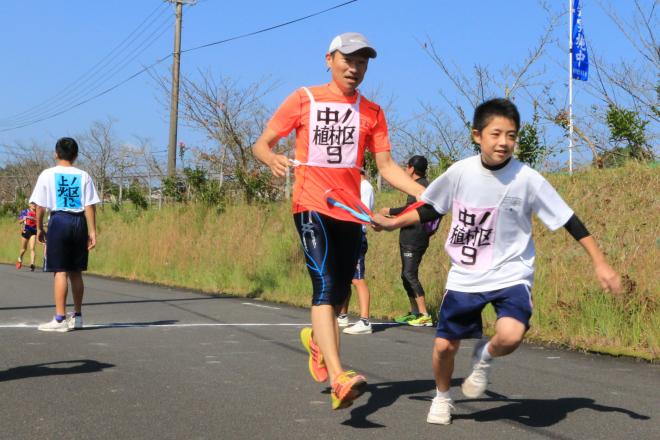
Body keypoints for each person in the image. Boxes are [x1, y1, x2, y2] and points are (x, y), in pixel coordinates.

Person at [372, 98, 623, 425]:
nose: (504, 142)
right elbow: (431, 207)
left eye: (511, 135)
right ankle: (443, 397)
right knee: (445, 347)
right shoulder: (460, 172)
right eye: (496, 134)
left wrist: (600, 263)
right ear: (477, 135)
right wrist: (393, 222)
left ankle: (484, 356)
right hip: (465, 275)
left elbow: (568, 220)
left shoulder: (527, 179)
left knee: (511, 334)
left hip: (511, 272)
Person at [252, 32, 425, 410]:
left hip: (350, 212)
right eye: (348, 59)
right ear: (329, 59)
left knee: (341, 291)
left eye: (362, 62)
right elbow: (261, 143)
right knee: (326, 285)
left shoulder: (373, 112)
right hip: (311, 204)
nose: (355, 68)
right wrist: (271, 158)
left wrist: (425, 194)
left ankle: (317, 340)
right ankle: (338, 377)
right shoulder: (304, 98)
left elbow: (387, 167)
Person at [30, 137, 100, 332]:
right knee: (76, 271)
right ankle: (77, 317)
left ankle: (60, 318)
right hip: (79, 222)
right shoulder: (83, 175)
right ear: (76, 155)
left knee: (60, 270)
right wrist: (92, 231)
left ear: (56, 153)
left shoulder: (47, 174)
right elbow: (89, 205)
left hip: (59, 220)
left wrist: (39, 228)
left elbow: (40, 206)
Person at [380, 155, 434, 327]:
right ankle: (415, 313)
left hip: (415, 237)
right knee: (405, 275)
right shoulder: (422, 185)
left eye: (406, 167)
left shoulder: (420, 187)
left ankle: (424, 314)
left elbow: (412, 209)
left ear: (411, 168)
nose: (404, 170)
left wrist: (391, 210)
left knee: (410, 274)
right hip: (409, 235)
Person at [338, 170, 375, 335]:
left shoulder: (364, 186)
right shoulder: (354, 185)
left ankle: (365, 320)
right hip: (347, 234)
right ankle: (342, 315)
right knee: (345, 278)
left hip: (356, 234)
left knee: (357, 279)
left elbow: (363, 212)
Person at [16, 202, 38, 271]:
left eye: (35, 204)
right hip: (26, 231)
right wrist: (24, 219)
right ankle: (20, 258)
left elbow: (39, 222)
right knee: (23, 249)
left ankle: (32, 264)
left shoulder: (38, 212)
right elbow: (19, 221)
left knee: (32, 248)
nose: (34, 205)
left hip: (33, 231)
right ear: (29, 205)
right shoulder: (25, 211)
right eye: (32, 204)